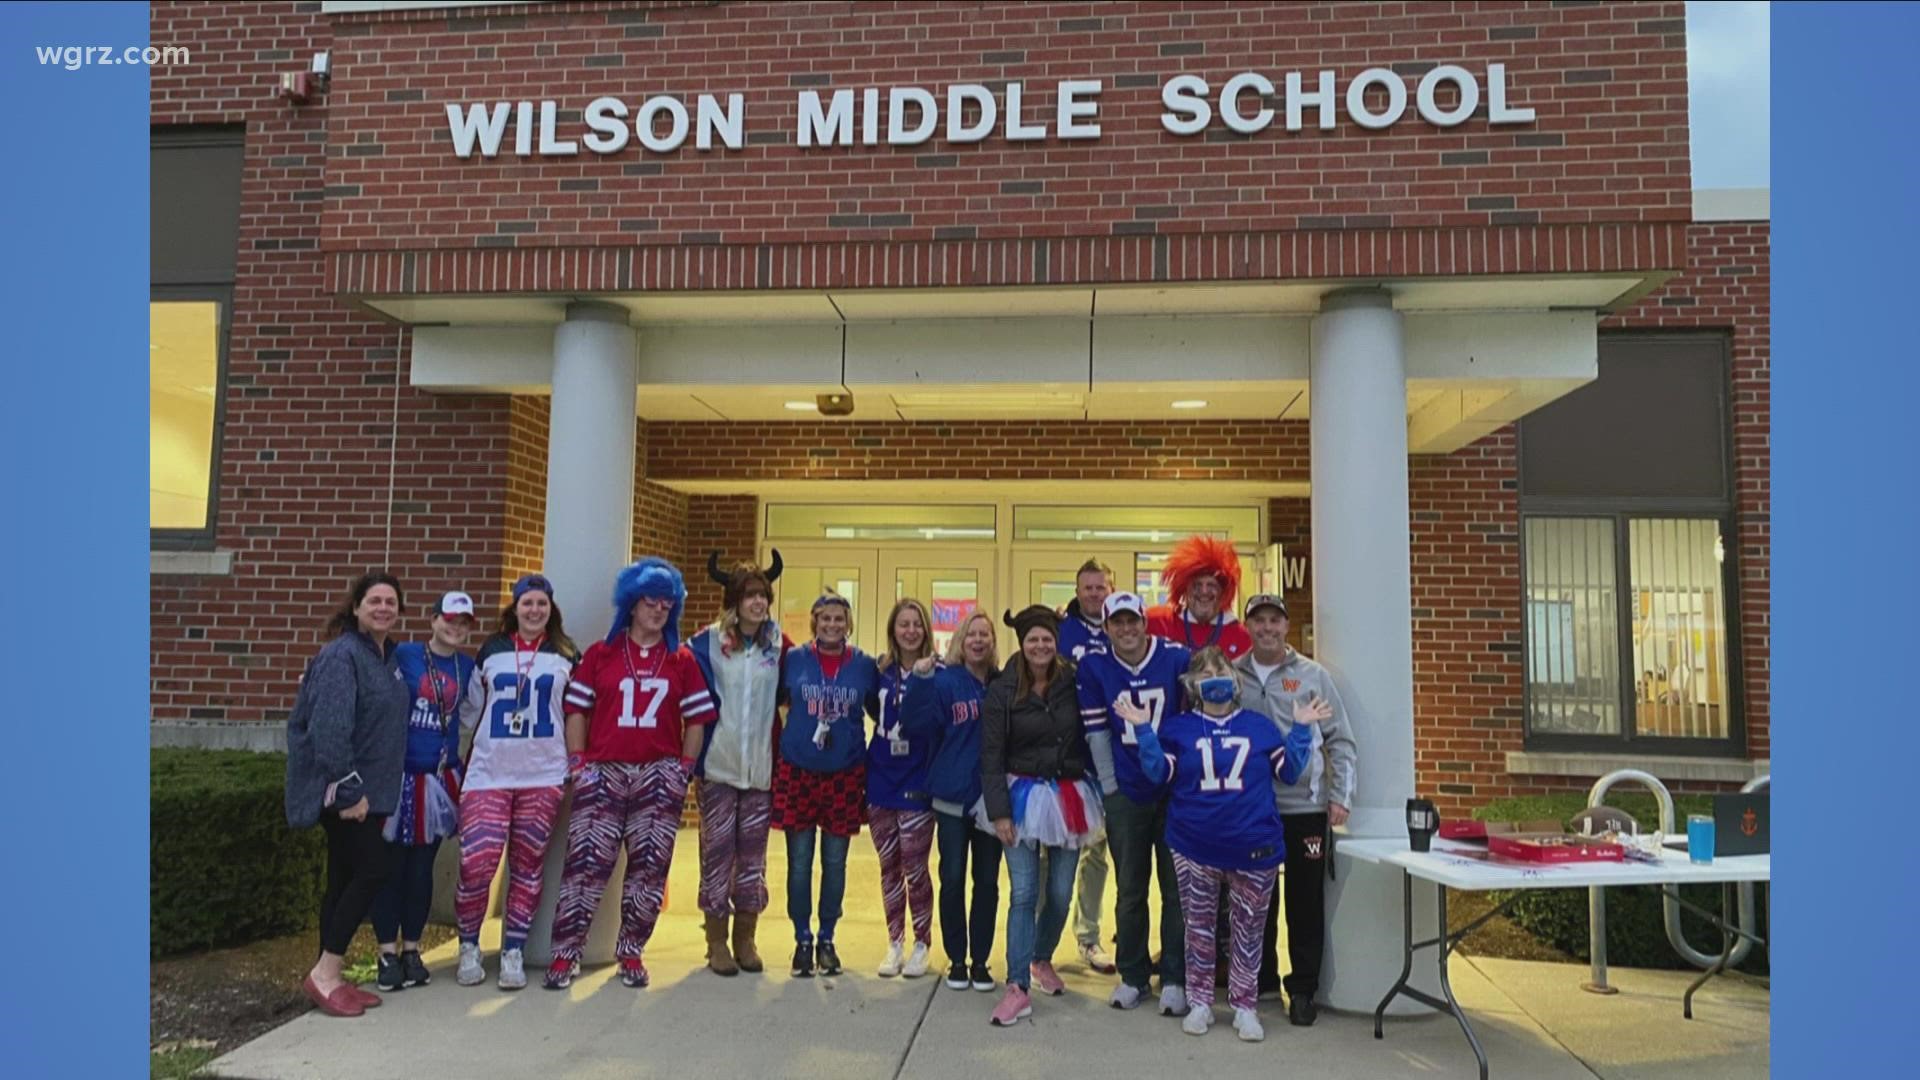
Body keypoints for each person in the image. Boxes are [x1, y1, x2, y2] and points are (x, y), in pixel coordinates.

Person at [1116, 646, 1324, 1042]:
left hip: (1253, 844)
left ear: (1235, 680)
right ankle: (1199, 1001)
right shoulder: (1178, 728)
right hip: (1194, 843)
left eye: (1222, 670)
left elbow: (1290, 771)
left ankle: (1245, 1006)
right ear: (1193, 684)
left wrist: (1300, 730)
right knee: (1198, 927)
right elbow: (1159, 772)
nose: (1215, 678)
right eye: (1206, 672)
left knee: (1248, 930)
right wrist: (1144, 731)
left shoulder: (1260, 726)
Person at [543, 557, 716, 991]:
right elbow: (576, 709)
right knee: (585, 865)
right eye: (649, 602)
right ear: (631, 606)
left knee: (650, 870)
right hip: (602, 771)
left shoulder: (681, 660)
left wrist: (684, 769)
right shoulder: (601, 655)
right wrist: (578, 761)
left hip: (659, 774)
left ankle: (631, 951)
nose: (658, 611)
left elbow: (696, 719)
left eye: (666, 604)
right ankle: (566, 953)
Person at [284, 571, 412, 1018]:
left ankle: (330, 977)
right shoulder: (342, 657)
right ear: (355, 608)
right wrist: (349, 790)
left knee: (341, 881)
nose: (383, 608)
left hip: (371, 794)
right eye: (373, 600)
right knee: (374, 869)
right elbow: (329, 729)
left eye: (390, 602)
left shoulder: (385, 657)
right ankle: (325, 973)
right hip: (343, 793)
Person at [1232, 592, 1358, 1026]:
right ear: (1247, 626)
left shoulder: (1313, 676)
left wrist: (1340, 795)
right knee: (1255, 900)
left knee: (1304, 901)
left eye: (1274, 621)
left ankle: (1302, 987)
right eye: (1258, 621)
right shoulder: (1233, 676)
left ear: (1286, 626)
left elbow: (1340, 739)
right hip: (1252, 809)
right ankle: (1262, 979)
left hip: (1304, 808)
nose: (1267, 628)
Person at [980, 605, 1105, 1027]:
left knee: (1060, 890)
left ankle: (1041, 957)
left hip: (1068, 792)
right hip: (1019, 795)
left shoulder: (1073, 679)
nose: (1040, 645)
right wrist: (999, 813)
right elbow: (991, 755)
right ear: (1022, 643)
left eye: (1046, 639)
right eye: (1032, 639)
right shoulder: (1003, 688)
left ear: (1056, 642)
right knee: (1024, 892)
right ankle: (1016, 985)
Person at [452, 574, 578, 991]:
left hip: (542, 774)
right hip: (490, 772)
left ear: (551, 609)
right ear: (516, 607)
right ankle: (468, 943)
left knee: (528, 865)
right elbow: (470, 710)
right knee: (478, 862)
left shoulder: (564, 653)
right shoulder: (492, 650)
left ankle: (513, 951)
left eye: (542, 604)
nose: (535, 610)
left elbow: (575, 713)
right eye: (528, 603)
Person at [1076, 591, 1193, 1014]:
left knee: (1177, 888)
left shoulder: (1177, 659)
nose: (1126, 630)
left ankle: (1176, 976)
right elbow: (1097, 733)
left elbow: (1192, 723)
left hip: (1173, 790)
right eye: (1117, 623)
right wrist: (1111, 788)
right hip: (1127, 788)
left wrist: (1186, 779)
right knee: (1130, 888)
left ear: (1145, 622)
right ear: (1106, 628)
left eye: (1133, 621)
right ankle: (1133, 974)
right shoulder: (1095, 666)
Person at [688, 551, 793, 977]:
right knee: (716, 853)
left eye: (763, 596)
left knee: (753, 855)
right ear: (734, 600)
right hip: (718, 764)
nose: (758, 604)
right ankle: (715, 940)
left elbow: (792, 693)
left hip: (761, 769)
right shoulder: (704, 643)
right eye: (749, 596)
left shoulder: (779, 645)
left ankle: (745, 936)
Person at [372, 591, 478, 993]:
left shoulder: (468, 668)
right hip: (398, 777)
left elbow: (472, 715)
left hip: (438, 778)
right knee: (389, 867)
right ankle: (385, 951)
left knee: (421, 869)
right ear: (433, 620)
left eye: (464, 622)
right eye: (449, 618)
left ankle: (412, 950)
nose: (456, 627)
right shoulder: (403, 656)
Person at [774, 592, 879, 978]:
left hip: (845, 774)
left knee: (835, 863)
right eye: (826, 619)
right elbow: (778, 701)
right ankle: (802, 939)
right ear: (815, 621)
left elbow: (882, 713)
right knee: (799, 863)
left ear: (848, 624)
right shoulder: (795, 660)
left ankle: (828, 938)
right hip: (798, 772)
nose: (832, 625)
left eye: (840, 619)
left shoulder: (865, 665)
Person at [902, 607, 1001, 993]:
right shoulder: (946, 682)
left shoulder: (1001, 683)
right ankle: (957, 959)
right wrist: (920, 679)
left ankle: (980, 961)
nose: (978, 640)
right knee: (953, 878)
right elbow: (914, 724)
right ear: (961, 640)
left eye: (985, 634)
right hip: (951, 800)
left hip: (991, 801)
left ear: (993, 643)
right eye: (971, 634)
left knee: (988, 882)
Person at [1050, 559, 1117, 976]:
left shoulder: (1125, 628)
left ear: (1112, 589)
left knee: (1098, 852)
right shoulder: (1061, 629)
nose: (1094, 594)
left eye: (1101, 587)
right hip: (1065, 756)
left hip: (1110, 758)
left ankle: (1088, 937)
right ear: (1077, 591)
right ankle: (1043, 939)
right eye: (1087, 588)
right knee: (1053, 851)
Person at [866, 599, 939, 978]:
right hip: (879, 778)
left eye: (916, 624)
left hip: (917, 781)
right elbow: (870, 709)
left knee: (915, 867)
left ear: (925, 630)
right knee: (888, 867)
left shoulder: (936, 671)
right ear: (893, 630)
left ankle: (922, 942)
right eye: (903, 624)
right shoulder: (880, 670)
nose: (910, 631)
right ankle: (894, 941)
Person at [1146, 535, 1252, 659]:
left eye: (1211, 585)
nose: (1204, 591)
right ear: (1185, 589)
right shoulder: (1157, 621)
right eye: (1197, 585)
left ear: (1223, 592)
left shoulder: (1241, 636)